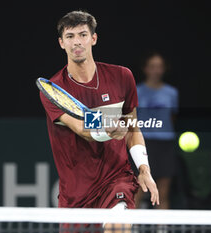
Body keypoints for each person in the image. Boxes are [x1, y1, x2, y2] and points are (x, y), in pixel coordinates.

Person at [39, 11, 159, 232]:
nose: (77, 41)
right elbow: (81, 129)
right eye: (70, 36)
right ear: (61, 43)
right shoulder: (53, 90)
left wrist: (144, 169)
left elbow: (133, 129)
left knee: (118, 227)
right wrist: (109, 127)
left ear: (93, 39)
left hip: (116, 179)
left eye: (83, 35)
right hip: (76, 192)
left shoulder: (122, 77)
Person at [135, 52, 179, 210]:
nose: (156, 70)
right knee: (138, 189)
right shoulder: (136, 91)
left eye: (159, 67)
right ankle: (130, 228)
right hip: (144, 145)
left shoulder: (172, 93)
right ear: (146, 69)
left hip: (165, 145)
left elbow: (172, 117)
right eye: (152, 66)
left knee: (163, 192)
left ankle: (161, 229)